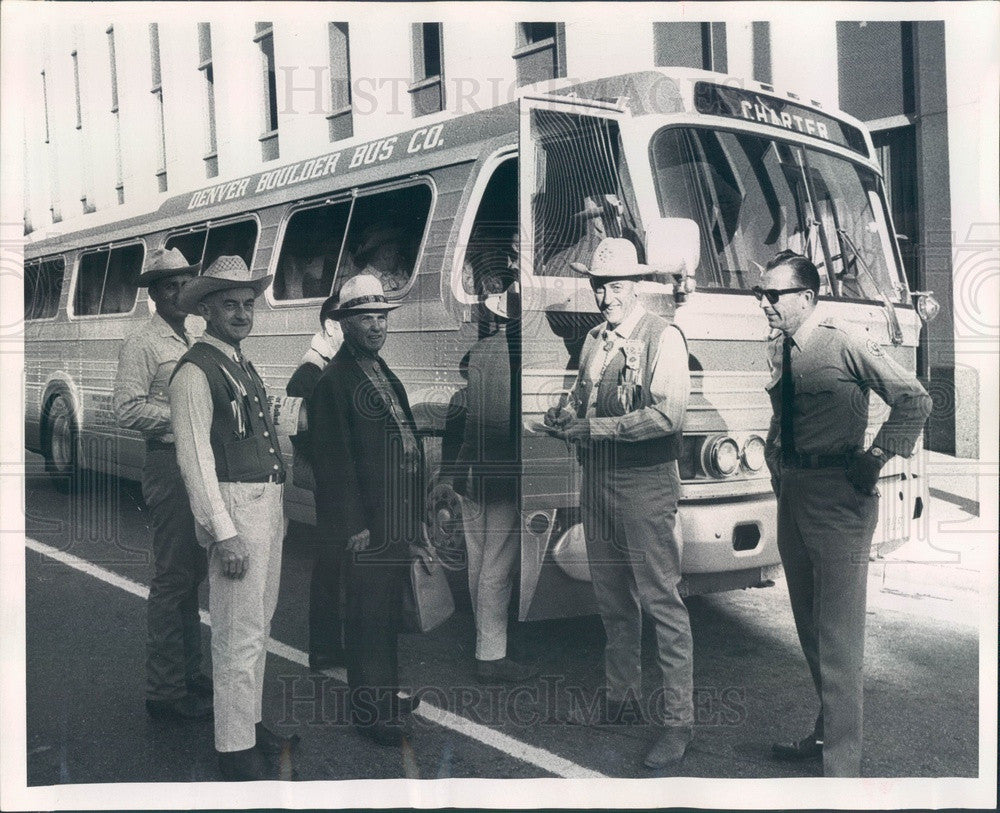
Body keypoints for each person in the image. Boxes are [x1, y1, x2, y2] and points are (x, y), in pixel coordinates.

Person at [756, 250, 932, 777]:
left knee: (838, 635)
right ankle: (827, 732)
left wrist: (877, 456)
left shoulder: (845, 341)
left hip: (839, 496)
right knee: (810, 628)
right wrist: (777, 470)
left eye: (773, 295)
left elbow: (915, 398)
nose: (764, 303)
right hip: (796, 493)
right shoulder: (781, 349)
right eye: (761, 295)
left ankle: (841, 770)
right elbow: (782, 420)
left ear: (806, 298)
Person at [544, 237, 694, 770]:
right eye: (599, 285)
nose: (606, 294)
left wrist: (593, 427)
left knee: (661, 602)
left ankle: (678, 723)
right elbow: (582, 396)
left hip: (646, 483)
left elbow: (666, 416)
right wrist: (564, 415)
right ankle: (621, 699)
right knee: (611, 598)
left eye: (616, 285)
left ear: (636, 287)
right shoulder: (594, 340)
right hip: (600, 481)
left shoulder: (664, 337)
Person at [169, 255, 295, 781]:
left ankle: (250, 721)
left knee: (256, 625)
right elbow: (195, 460)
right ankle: (233, 746)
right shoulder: (195, 370)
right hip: (236, 508)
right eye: (230, 304)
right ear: (206, 309)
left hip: (265, 505)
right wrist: (224, 533)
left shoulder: (238, 361)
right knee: (236, 631)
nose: (242, 313)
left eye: (247, 304)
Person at [307, 274, 423, 747]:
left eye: (381, 317)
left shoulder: (378, 369)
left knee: (386, 613)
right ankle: (372, 714)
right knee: (367, 615)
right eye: (365, 318)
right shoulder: (335, 380)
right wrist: (353, 524)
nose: (376, 326)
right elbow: (333, 462)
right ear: (345, 324)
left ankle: (384, 695)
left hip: (392, 518)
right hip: (368, 524)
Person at [112, 247, 213, 722]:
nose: (178, 293)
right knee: (173, 578)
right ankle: (163, 690)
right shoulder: (143, 343)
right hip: (168, 464)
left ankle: (190, 672)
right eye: (169, 286)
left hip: (199, 462)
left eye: (183, 284)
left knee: (193, 576)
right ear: (154, 294)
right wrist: (181, 418)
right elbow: (127, 407)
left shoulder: (195, 334)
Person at [440, 283, 537, 684]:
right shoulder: (522, 354)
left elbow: (470, 423)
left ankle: (485, 640)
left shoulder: (479, 352)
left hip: (472, 473)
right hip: (502, 475)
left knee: (479, 561)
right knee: (499, 565)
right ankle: (491, 654)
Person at [285, 294, 345, 672]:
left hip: (335, 483)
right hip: (334, 484)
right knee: (331, 566)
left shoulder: (325, 367)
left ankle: (328, 645)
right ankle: (325, 646)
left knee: (332, 565)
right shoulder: (310, 372)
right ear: (329, 327)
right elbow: (300, 431)